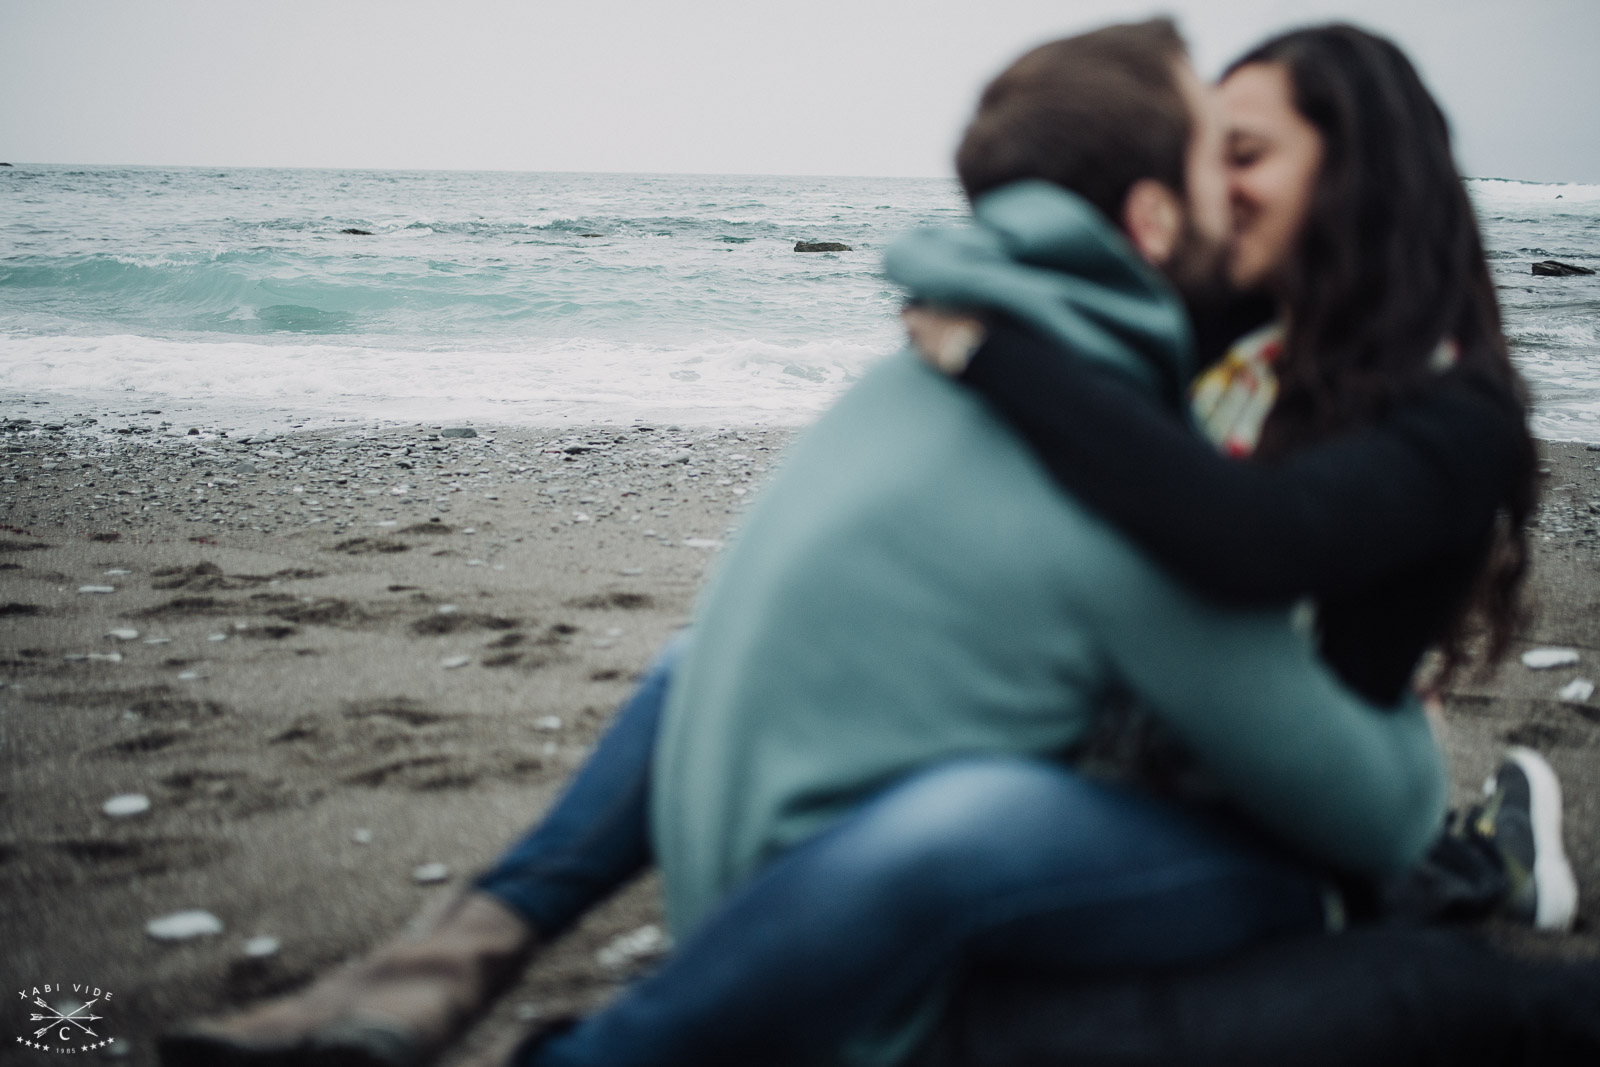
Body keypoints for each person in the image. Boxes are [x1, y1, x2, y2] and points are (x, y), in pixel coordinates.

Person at [160, 20, 1575, 1067]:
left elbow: (1234, 530)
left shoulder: (1449, 415)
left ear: (1357, 171)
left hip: (1301, 801)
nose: (1223, 181)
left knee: (966, 841)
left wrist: (984, 337)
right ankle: (442, 966)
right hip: (1159, 749)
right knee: (704, 662)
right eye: (1213, 155)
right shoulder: (1229, 353)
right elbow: (1096, 255)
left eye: (1247, 150)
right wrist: (977, 275)